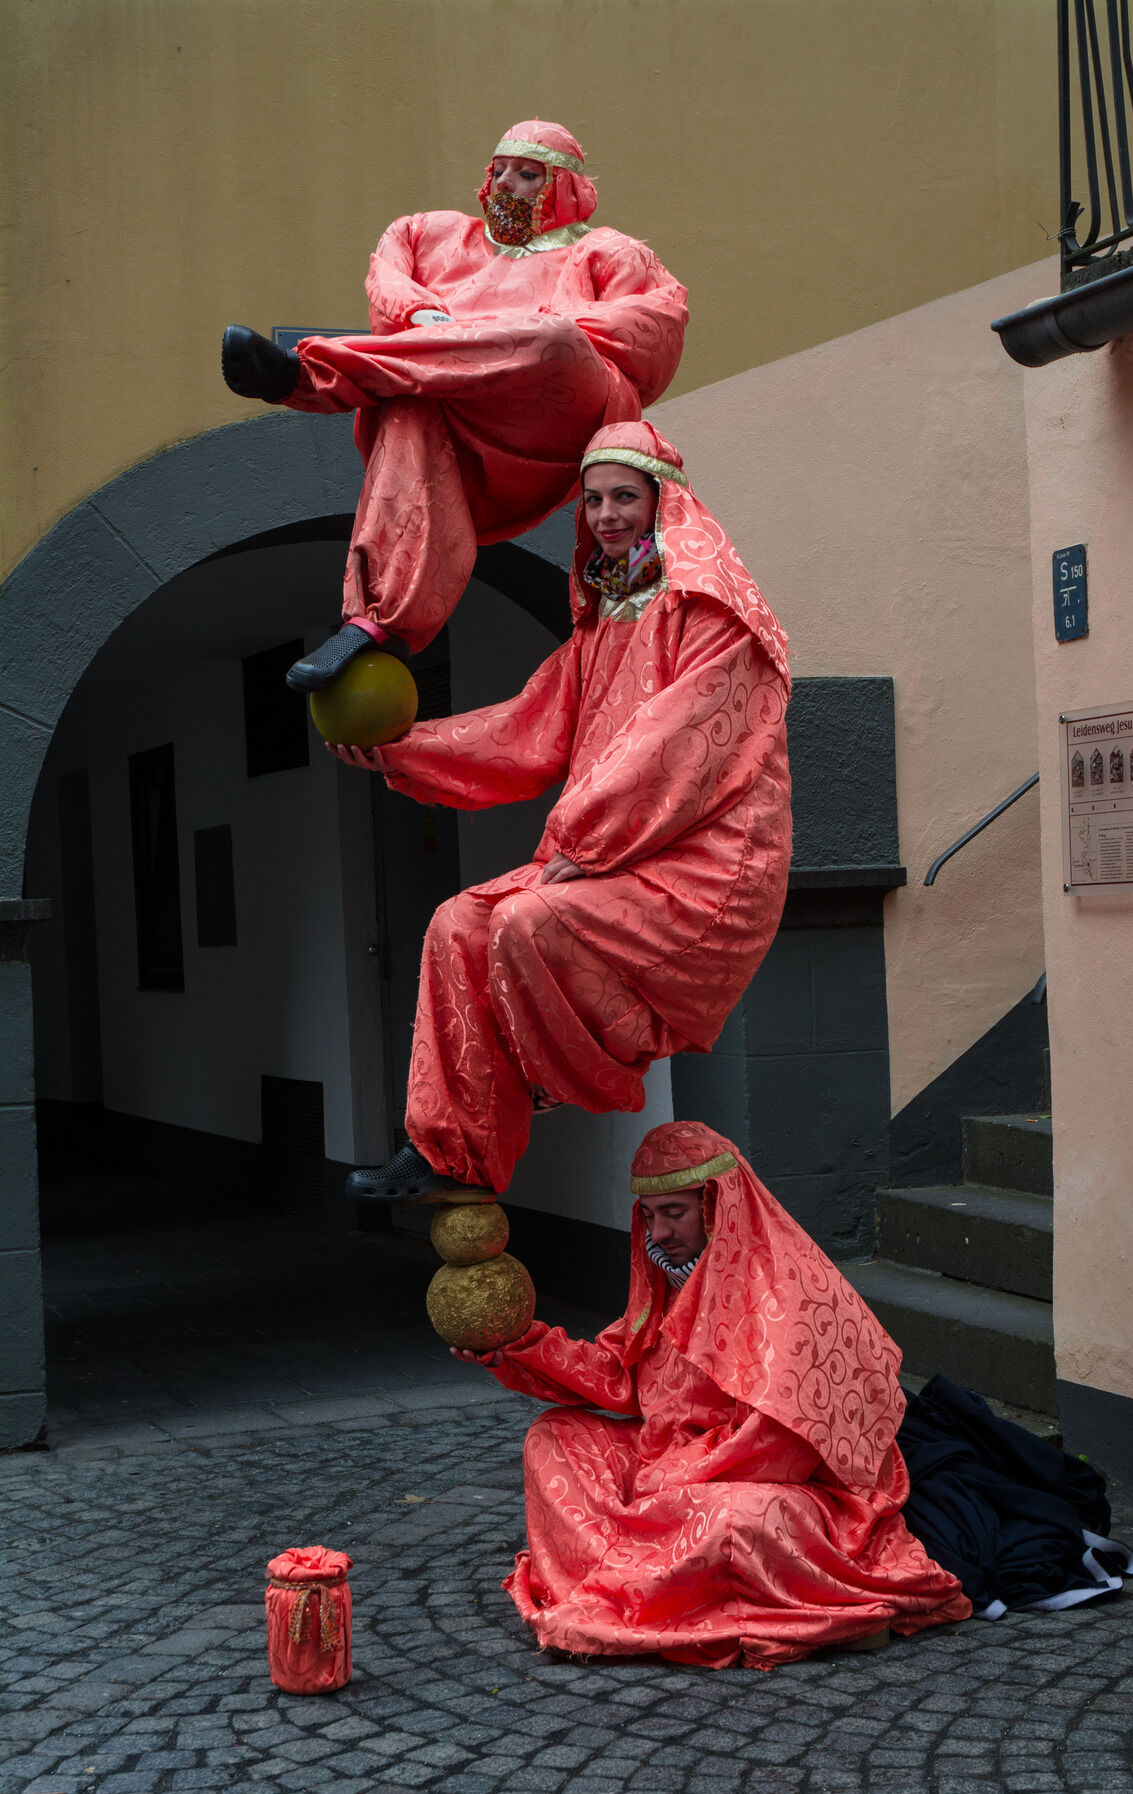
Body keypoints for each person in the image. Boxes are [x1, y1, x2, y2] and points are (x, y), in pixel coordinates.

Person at [455, 1121, 1133, 1669]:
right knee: (553, 1438)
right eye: (650, 1216)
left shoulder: (791, 1295)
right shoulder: (671, 1280)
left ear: (717, 1207)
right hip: (678, 1463)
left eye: (674, 1214)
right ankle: (645, 1556)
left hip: (788, 1484)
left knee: (733, 1521)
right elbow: (620, 1375)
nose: (658, 1234)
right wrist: (515, 1347)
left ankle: (646, 1558)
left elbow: (780, 1446)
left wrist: (664, 1481)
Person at [331, 422, 792, 1200]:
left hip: (704, 867)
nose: (607, 515)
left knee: (524, 922)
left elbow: (676, 746)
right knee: (455, 924)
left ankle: (545, 1078)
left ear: (663, 502)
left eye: (625, 497)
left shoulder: (714, 609)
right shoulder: (607, 616)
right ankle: (449, 1156)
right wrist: (399, 753)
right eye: (594, 500)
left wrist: (586, 840)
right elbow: (527, 730)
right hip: (613, 854)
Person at [221, 122, 688, 690]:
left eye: (528, 174)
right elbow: (389, 270)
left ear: (563, 188)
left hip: (558, 412)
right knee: (409, 409)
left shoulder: (606, 251)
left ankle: (312, 375)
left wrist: (506, 333)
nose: (505, 184)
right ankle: (376, 623)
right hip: (456, 408)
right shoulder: (432, 235)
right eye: (499, 171)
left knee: (553, 338)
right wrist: (419, 313)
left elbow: (654, 330)